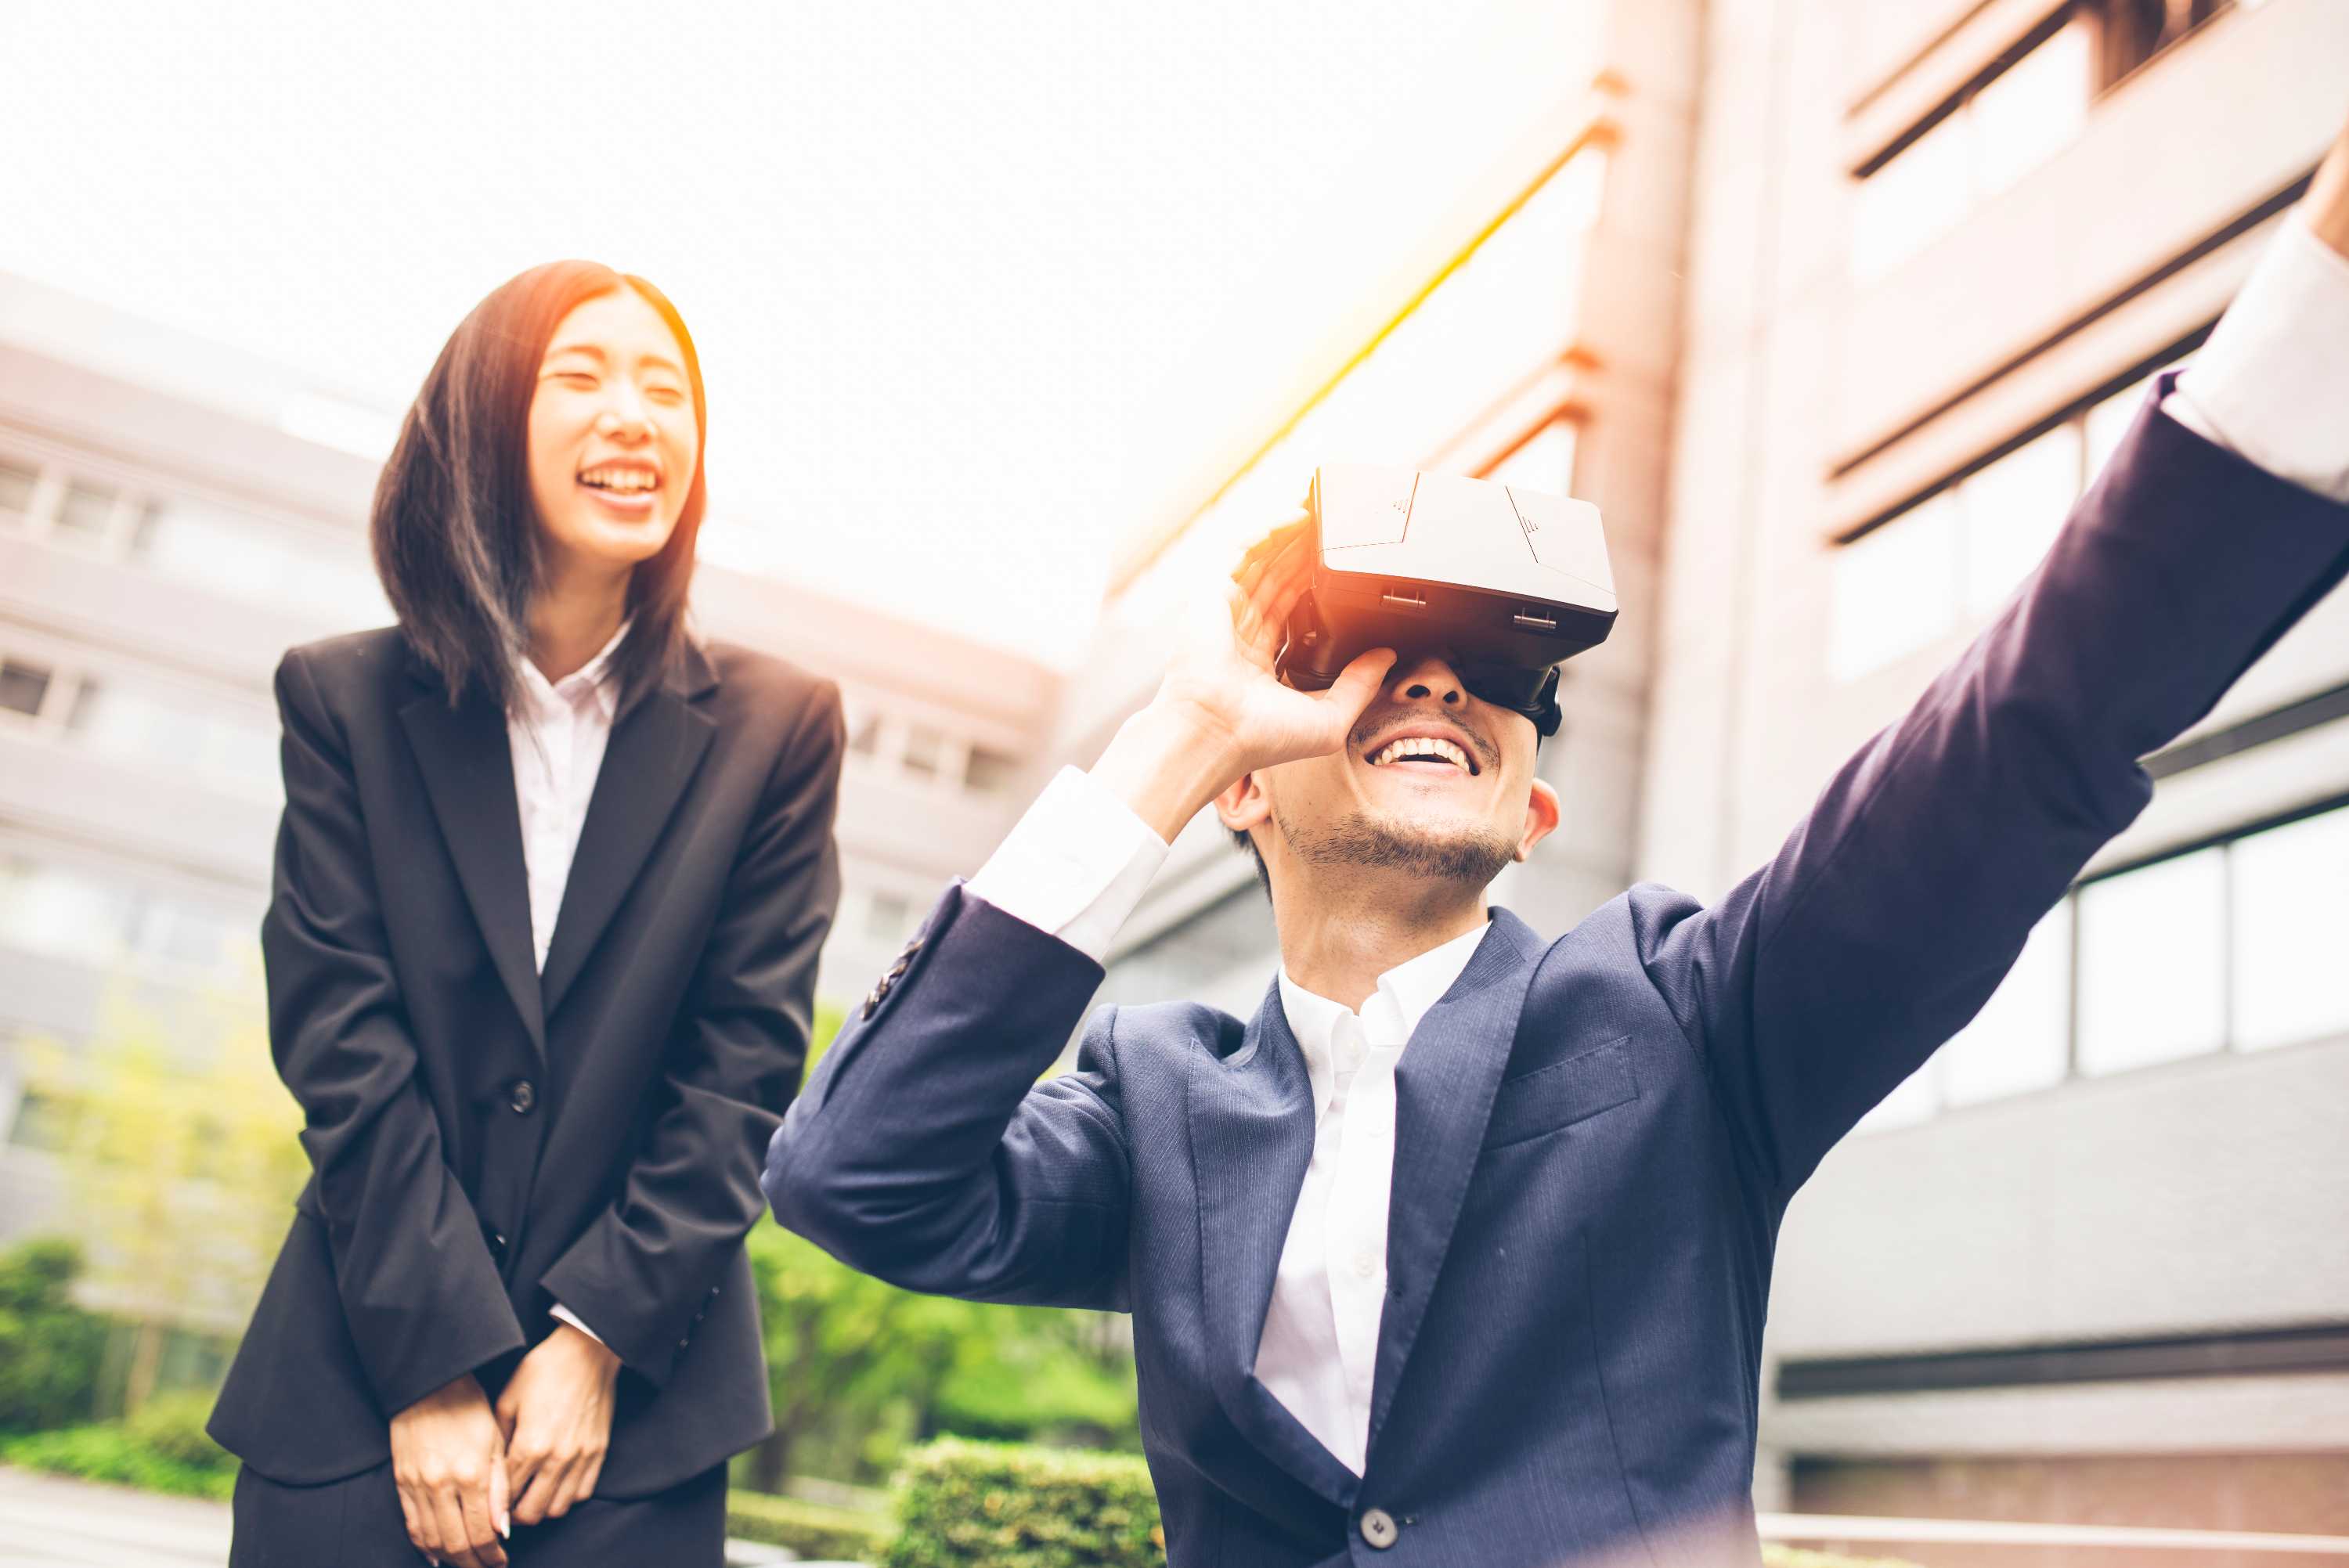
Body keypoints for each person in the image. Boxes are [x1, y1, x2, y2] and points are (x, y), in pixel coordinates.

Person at [767, 122, 2349, 1566]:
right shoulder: (1159, 1102)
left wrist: (2315, 311)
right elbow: (856, 1177)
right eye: (1371, 663)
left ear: (1535, 812)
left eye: (1502, 678)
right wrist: (1177, 742)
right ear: (1250, 784)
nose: (1441, 680)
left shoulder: (1693, 1019)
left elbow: (2017, 741)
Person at [208, 261, 845, 1567]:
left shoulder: (778, 729)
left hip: (636, 1417)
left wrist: (596, 1336)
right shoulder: (341, 701)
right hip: (355, 1394)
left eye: (667, 391)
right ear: (484, 426)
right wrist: (432, 1365)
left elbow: (742, 1068)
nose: (636, 417)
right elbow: (341, 1040)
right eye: (582, 377)